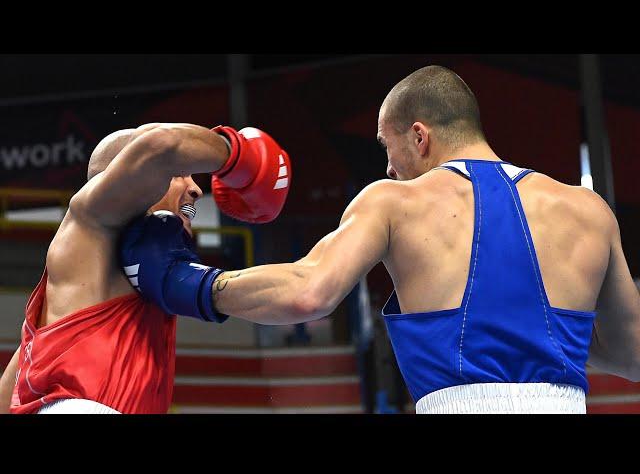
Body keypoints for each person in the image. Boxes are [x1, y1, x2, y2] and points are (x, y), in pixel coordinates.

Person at [121, 65, 640, 414]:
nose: (389, 168)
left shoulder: (395, 201)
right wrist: (538, 336)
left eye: (387, 149)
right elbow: (631, 354)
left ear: (420, 136)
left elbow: (308, 290)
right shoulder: (589, 210)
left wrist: (184, 282)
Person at [0, 122, 291, 414]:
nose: (196, 190)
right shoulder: (91, 222)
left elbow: (10, 396)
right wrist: (238, 156)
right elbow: (161, 144)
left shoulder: (151, 268)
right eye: (179, 174)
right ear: (128, 176)